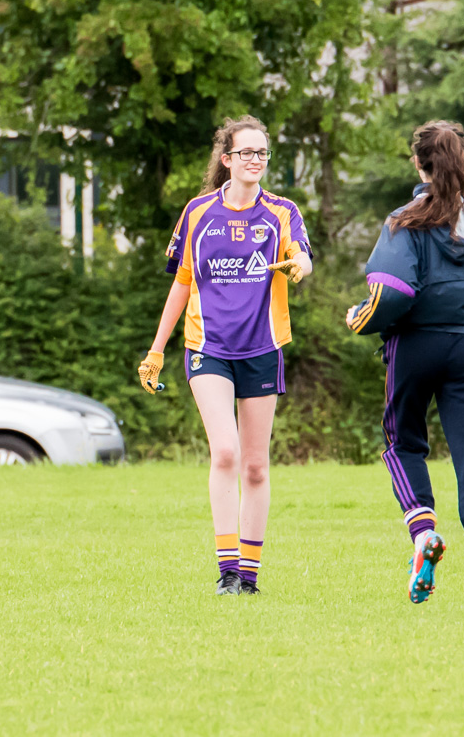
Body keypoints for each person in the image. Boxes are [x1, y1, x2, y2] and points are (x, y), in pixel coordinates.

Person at [345, 120, 464, 618]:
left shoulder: (405, 219)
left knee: (403, 442)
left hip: (414, 347)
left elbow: (393, 293)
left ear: (418, 164)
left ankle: (424, 533)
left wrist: (360, 317)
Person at [138, 115, 313, 596]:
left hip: (262, 347)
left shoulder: (281, 212)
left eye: (262, 153)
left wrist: (298, 264)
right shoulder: (197, 212)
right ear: (226, 159)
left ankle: (249, 578)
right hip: (207, 348)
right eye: (246, 153)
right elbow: (182, 283)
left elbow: (303, 255)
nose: (255, 161)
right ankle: (227, 571)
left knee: (256, 466)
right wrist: (156, 351)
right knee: (227, 453)